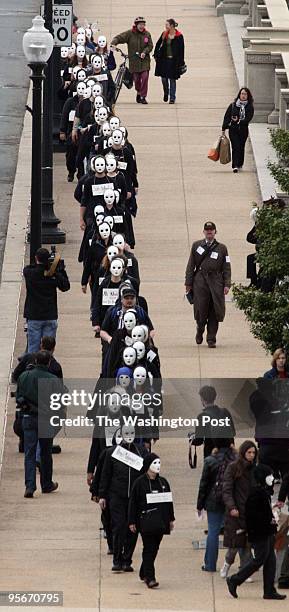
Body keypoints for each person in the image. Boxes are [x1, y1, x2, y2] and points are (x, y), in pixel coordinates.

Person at [227, 464, 286, 600]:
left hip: (267, 531)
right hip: (260, 533)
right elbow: (254, 516)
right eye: (269, 476)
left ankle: (269, 590)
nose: (272, 478)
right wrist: (269, 520)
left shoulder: (263, 492)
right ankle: (235, 580)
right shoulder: (256, 494)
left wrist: (271, 514)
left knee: (270, 560)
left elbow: (263, 512)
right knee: (259, 559)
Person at [98, 423, 148, 571]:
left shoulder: (141, 452)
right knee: (119, 527)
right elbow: (105, 475)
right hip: (116, 496)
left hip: (134, 499)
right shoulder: (112, 453)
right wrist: (102, 495)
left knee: (132, 528)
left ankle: (127, 559)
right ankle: (117, 559)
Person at [16, 351, 62, 498]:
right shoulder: (53, 379)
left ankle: (30, 485)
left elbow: (18, 397)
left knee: (29, 453)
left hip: (29, 417)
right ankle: (46, 483)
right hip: (46, 419)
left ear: (35, 361)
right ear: (48, 363)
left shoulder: (24, 376)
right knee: (45, 452)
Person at [128, 453, 175, 588]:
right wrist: (131, 521)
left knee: (155, 548)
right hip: (145, 521)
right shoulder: (139, 483)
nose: (158, 466)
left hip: (160, 521)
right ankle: (150, 577)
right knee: (148, 548)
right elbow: (133, 503)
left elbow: (168, 502)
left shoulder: (163, 482)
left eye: (159, 463)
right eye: (154, 463)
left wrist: (171, 519)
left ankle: (144, 570)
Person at [185, 221, 231, 348]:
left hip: (216, 282)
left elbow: (227, 267)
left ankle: (211, 338)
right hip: (200, 282)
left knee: (214, 310)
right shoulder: (196, 246)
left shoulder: (222, 248)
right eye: (207, 230)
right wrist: (188, 283)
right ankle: (200, 329)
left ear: (215, 231)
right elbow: (191, 265)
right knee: (201, 309)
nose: (209, 232)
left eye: (211, 230)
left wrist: (227, 284)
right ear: (204, 231)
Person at [197, 440, 237, 572]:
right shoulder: (237, 460)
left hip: (213, 499)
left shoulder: (210, 460)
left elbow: (204, 484)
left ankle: (210, 564)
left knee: (213, 532)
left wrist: (200, 504)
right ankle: (245, 564)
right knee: (239, 531)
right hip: (232, 500)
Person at [221, 440, 258, 578]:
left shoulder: (255, 469)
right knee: (234, 545)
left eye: (254, 452)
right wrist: (231, 507)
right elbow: (227, 489)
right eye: (249, 452)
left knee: (247, 544)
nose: (252, 455)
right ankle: (227, 564)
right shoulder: (233, 468)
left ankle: (245, 571)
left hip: (250, 512)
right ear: (243, 452)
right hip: (236, 512)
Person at [23, 248, 70, 353]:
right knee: (48, 349)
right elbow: (65, 286)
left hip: (34, 316)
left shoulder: (30, 273)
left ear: (36, 258)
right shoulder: (52, 274)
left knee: (33, 349)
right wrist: (59, 269)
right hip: (50, 315)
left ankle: (32, 367)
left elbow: (27, 269)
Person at [111, 17, 153, 104]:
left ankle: (143, 96)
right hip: (134, 62)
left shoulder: (147, 34)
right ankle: (138, 92)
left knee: (145, 78)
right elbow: (118, 38)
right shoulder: (130, 33)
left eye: (143, 24)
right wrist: (113, 43)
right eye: (140, 24)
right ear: (136, 25)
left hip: (144, 61)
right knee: (137, 80)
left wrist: (145, 52)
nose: (142, 26)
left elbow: (150, 46)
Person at [192, 386, 235, 458]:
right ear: (215, 397)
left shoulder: (202, 416)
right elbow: (233, 433)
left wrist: (191, 438)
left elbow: (198, 441)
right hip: (227, 455)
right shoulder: (225, 412)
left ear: (202, 399)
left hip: (211, 455)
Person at [222, 87, 254, 173]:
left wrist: (239, 121)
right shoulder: (233, 105)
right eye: (242, 94)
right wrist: (224, 128)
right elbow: (227, 116)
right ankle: (235, 165)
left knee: (241, 147)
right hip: (233, 129)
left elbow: (248, 118)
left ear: (248, 96)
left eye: (245, 94)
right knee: (235, 147)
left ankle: (240, 164)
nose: (243, 96)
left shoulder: (249, 107)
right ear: (239, 95)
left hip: (243, 130)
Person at [154, 19, 185, 104]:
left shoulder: (179, 36)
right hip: (164, 60)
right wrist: (156, 54)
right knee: (164, 79)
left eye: (167, 25)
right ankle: (166, 92)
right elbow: (158, 44)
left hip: (174, 61)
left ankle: (172, 98)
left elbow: (182, 50)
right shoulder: (164, 34)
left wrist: (181, 62)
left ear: (171, 25)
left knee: (172, 79)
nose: (165, 26)